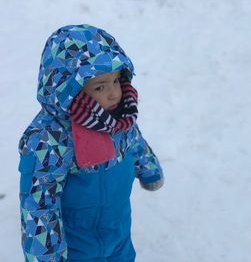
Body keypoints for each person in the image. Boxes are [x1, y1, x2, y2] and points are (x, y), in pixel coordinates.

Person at [18, 24, 164, 262]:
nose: (114, 93)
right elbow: (39, 205)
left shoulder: (118, 117)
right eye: (100, 86)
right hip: (77, 247)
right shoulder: (48, 140)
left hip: (118, 233)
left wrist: (149, 168)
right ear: (69, 89)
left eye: (116, 81)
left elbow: (135, 142)